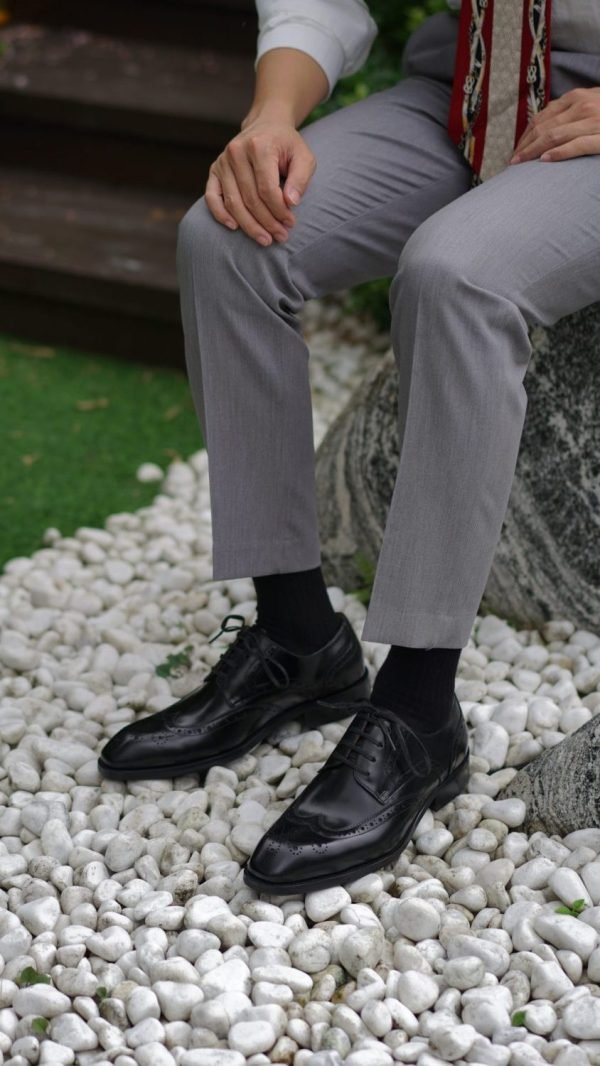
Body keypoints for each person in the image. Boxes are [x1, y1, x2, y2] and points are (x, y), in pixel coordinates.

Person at [98, 0, 600, 894]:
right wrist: (271, 116)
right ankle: (300, 641)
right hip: (463, 93)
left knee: (456, 276)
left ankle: (418, 712)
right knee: (228, 236)